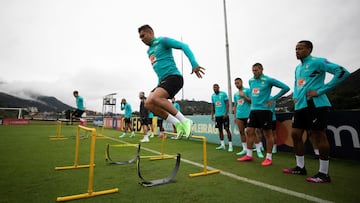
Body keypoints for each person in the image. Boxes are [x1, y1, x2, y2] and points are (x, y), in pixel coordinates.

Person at [282, 40, 349, 183]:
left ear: (309, 49)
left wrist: (320, 91)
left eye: (300, 49)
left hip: (317, 105)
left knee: (319, 135)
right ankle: (300, 167)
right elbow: (296, 83)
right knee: (295, 134)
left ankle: (323, 174)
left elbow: (342, 72)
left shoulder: (318, 61)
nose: (297, 51)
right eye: (295, 49)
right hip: (300, 106)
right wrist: (295, 97)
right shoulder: (297, 68)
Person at [138, 24, 205, 139]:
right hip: (163, 81)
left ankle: (185, 121)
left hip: (174, 77)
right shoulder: (149, 51)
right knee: (148, 103)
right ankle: (177, 124)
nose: (142, 39)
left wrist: (194, 64)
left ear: (151, 33)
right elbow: (159, 70)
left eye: (143, 35)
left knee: (155, 98)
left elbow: (184, 46)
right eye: (140, 37)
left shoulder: (162, 41)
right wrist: (159, 85)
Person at [237, 63, 290, 166]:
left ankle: (269, 158)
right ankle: (249, 155)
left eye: (256, 70)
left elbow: (286, 88)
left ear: (261, 69)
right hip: (253, 110)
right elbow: (254, 94)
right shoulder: (251, 81)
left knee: (267, 134)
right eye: (253, 70)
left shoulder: (268, 80)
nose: (254, 72)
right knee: (249, 131)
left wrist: (273, 98)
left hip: (265, 110)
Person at [211, 84, 233, 152]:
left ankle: (230, 146)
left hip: (224, 116)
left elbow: (227, 103)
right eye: (214, 88)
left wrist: (226, 113)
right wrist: (212, 115)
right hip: (217, 116)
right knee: (220, 130)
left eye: (216, 87)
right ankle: (222, 145)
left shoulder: (223, 94)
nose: (215, 89)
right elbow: (213, 106)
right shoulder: (213, 96)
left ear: (218, 88)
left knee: (227, 129)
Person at [233, 78, 251, 156]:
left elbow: (251, 101)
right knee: (241, 132)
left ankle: (258, 149)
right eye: (235, 83)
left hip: (248, 115)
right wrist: (235, 116)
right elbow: (235, 105)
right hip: (239, 116)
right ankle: (244, 149)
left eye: (238, 83)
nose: (237, 85)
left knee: (251, 132)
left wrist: (244, 96)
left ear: (241, 82)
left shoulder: (247, 90)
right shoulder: (235, 94)